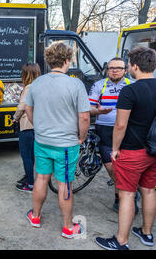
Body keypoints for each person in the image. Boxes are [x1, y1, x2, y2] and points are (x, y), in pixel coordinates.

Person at [24, 41, 91, 239]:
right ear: (67, 60)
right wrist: (82, 137)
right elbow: (85, 117)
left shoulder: (37, 83)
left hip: (42, 141)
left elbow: (28, 108)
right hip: (66, 144)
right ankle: (69, 227)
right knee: (65, 184)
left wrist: (37, 125)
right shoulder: (75, 84)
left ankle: (35, 216)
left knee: (41, 178)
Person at [95, 46, 156, 250]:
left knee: (127, 194)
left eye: (129, 65)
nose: (128, 68)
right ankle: (146, 233)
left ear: (135, 66)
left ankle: (121, 241)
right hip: (153, 149)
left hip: (132, 150)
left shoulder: (130, 90)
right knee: (148, 191)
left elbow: (120, 125)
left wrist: (114, 149)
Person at [89, 58, 138, 213]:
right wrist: (98, 111)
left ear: (125, 70)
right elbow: (89, 108)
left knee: (127, 167)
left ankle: (124, 196)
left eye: (118, 68)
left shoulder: (133, 85)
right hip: (105, 130)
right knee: (111, 168)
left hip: (128, 130)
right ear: (107, 70)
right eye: (111, 68)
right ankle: (124, 193)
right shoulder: (99, 85)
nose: (114, 70)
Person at [13, 62, 41, 192]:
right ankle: (28, 176)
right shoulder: (41, 85)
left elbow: (22, 106)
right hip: (37, 126)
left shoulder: (29, 87)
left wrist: (15, 118)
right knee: (32, 155)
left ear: (26, 74)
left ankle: (30, 184)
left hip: (27, 126)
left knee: (26, 156)